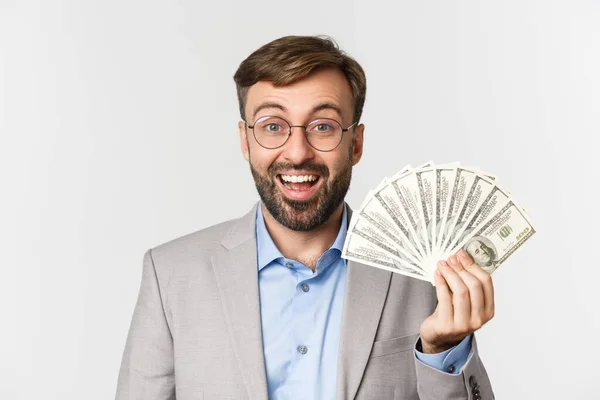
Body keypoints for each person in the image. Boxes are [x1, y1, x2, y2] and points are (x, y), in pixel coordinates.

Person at [116, 35, 495, 400]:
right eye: (273, 127)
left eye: (323, 127)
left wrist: (442, 350)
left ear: (356, 143)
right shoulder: (169, 276)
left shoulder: (424, 277)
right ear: (245, 141)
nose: (297, 153)